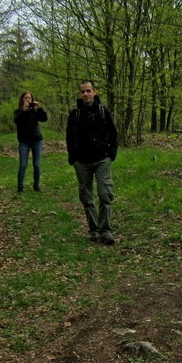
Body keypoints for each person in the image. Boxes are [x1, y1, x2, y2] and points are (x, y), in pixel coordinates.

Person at [66, 80, 118, 245]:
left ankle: (106, 230)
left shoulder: (103, 111)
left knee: (105, 194)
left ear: (94, 92)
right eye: (83, 92)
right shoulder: (75, 114)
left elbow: (113, 134)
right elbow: (69, 136)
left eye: (88, 91)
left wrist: (111, 154)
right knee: (86, 197)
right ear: (80, 94)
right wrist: (72, 157)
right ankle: (94, 230)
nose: (86, 94)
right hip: (82, 161)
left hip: (102, 158)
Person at [14, 91, 48, 193]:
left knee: (37, 165)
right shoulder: (18, 112)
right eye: (25, 98)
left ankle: (36, 186)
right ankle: (20, 188)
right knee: (23, 164)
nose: (27, 100)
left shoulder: (35, 111)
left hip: (36, 140)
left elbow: (44, 119)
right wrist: (23, 111)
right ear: (22, 100)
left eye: (29, 98)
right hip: (24, 141)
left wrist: (39, 109)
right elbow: (17, 121)